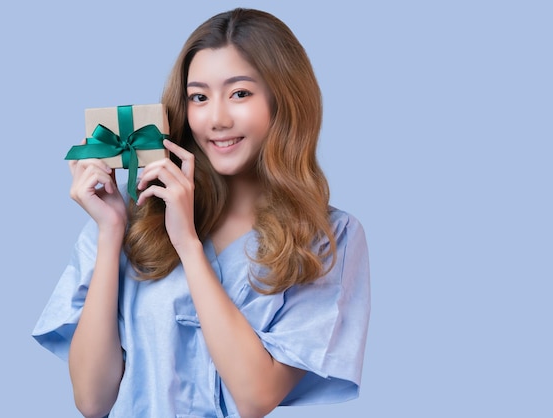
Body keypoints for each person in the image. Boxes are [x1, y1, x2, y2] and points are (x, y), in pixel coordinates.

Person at [32, 7, 370, 418]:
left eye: (240, 93)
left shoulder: (328, 236)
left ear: (284, 100)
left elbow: (255, 397)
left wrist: (189, 246)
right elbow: (91, 400)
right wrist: (111, 232)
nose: (217, 119)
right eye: (199, 97)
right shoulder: (129, 213)